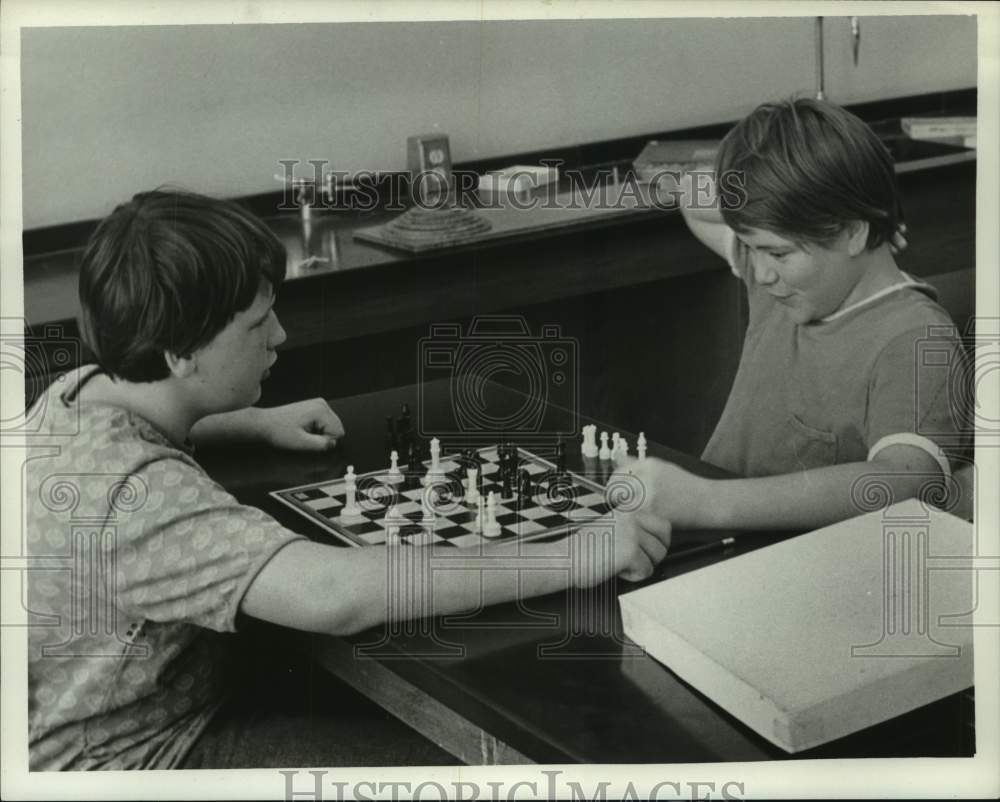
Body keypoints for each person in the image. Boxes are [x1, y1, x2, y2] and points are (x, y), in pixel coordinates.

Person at [25, 189, 668, 770]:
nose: (280, 335)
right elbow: (334, 594)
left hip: (105, 717)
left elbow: (143, 415)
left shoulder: (77, 394)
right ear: (181, 355)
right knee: (486, 773)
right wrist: (572, 554)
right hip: (135, 760)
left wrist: (251, 422)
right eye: (257, 323)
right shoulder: (138, 498)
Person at [618, 98, 969, 539]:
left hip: (796, 563)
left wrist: (708, 502)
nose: (760, 272)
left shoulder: (914, 338)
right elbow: (692, 199)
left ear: (852, 233)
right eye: (751, 247)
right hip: (723, 542)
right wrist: (786, 204)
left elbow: (905, 482)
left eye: (778, 253)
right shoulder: (787, 285)